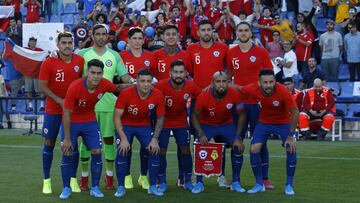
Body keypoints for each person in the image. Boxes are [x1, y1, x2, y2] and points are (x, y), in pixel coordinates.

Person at [78, 24, 132, 191]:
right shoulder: (82, 55)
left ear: (108, 36)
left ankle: (109, 177)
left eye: (104, 34)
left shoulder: (114, 56)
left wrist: (139, 80)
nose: (101, 37)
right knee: (87, 144)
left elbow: (125, 78)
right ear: (92, 36)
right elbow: (73, 77)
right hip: (88, 107)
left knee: (109, 141)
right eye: (98, 34)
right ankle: (85, 178)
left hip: (110, 106)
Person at [60, 59, 123, 199]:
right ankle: (66, 188)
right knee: (67, 152)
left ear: (102, 74)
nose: (96, 76)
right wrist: (67, 139)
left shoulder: (105, 84)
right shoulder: (75, 87)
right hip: (72, 121)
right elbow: (66, 113)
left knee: (97, 151)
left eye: (99, 73)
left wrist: (136, 85)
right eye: (93, 72)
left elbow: (117, 88)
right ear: (87, 72)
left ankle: (94, 187)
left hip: (89, 120)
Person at [226, 21, 275, 189]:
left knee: (260, 141)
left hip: (257, 103)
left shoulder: (261, 52)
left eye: (246, 30)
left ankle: (265, 178)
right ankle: (235, 180)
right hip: (238, 104)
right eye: (240, 30)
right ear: (236, 33)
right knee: (236, 140)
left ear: (251, 33)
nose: (243, 33)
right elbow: (229, 75)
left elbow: (270, 75)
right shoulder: (231, 53)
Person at [239, 69, 299, 196]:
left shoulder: (282, 91)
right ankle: (259, 183)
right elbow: (239, 89)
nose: (268, 85)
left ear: (275, 81)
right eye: (265, 82)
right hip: (264, 122)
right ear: (259, 83)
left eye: (271, 82)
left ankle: (289, 185)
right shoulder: (252, 89)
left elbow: (295, 112)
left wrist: (291, 136)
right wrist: (223, 84)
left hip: (283, 122)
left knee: (291, 147)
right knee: (254, 148)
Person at [38, 32, 84, 195]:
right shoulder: (48, 62)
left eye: (70, 42)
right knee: (49, 143)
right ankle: (46, 180)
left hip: (73, 111)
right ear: (57, 45)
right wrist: (59, 100)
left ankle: (72, 180)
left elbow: (82, 83)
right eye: (64, 42)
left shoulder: (80, 61)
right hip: (53, 110)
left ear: (73, 44)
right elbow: (42, 87)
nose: (67, 45)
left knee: (72, 145)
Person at [190, 71, 245, 194]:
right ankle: (199, 182)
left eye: (224, 81)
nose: (221, 84)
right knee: (199, 146)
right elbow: (194, 116)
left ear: (228, 82)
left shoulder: (235, 93)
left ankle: (235, 182)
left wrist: (237, 137)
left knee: (238, 147)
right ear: (212, 83)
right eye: (218, 81)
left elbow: (242, 115)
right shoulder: (204, 95)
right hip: (207, 125)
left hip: (226, 124)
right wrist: (202, 134)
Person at [113, 69, 165, 197]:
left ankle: (152, 186)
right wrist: (123, 139)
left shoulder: (158, 94)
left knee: (154, 150)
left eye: (148, 81)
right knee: (122, 150)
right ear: (136, 81)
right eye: (142, 81)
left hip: (143, 125)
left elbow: (160, 118)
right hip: (125, 125)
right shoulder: (126, 93)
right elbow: (116, 117)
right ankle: (120, 187)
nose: (146, 84)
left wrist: (155, 139)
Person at [154, 60, 201, 192]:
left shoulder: (191, 86)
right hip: (163, 123)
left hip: (181, 123)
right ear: (170, 73)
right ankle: (162, 181)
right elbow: (148, 93)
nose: (178, 75)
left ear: (186, 73)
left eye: (181, 72)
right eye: (175, 72)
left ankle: (187, 180)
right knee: (161, 151)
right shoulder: (160, 85)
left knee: (185, 150)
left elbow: (203, 97)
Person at [119, 27, 157, 189]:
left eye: (139, 38)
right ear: (128, 40)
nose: (137, 41)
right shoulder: (121, 56)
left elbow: (154, 78)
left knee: (145, 146)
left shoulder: (151, 56)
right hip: (125, 107)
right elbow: (117, 78)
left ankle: (143, 176)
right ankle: (126, 176)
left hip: (146, 108)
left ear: (144, 40)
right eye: (134, 38)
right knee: (125, 146)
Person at [187, 19, 229, 89]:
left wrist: (223, 80)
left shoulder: (223, 47)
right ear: (198, 33)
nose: (206, 32)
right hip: (198, 92)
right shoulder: (191, 48)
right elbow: (190, 70)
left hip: (218, 92)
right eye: (203, 30)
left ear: (212, 31)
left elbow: (229, 68)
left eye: (209, 29)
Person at [25, 37, 44, 112]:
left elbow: (45, 58)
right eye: (31, 42)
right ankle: (30, 106)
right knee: (28, 90)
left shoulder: (40, 51)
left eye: (34, 42)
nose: (33, 43)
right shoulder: (25, 51)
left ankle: (42, 105)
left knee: (40, 90)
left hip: (37, 73)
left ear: (36, 43)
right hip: (28, 74)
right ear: (29, 43)